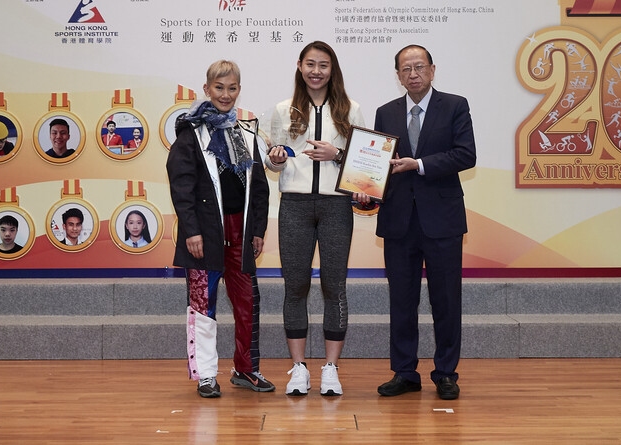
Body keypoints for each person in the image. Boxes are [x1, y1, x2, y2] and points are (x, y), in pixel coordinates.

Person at [360, 44, 476, 401]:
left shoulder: (455, 105)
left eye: (419, 66)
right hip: (398, 221)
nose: (413, 73)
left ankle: (445, 373)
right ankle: (405, 372)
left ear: (432, 69)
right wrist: (364, 188)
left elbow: (466, 154)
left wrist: (420, 164)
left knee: (445, 301)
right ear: (397, 76)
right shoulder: (386, 112)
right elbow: (377, 165)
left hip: (442, 220)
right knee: (402, 301)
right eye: (406, 69)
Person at [166, 59, 274, 399]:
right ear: (207, 89)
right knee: (203, 305)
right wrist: (191, 231)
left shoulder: (245, 132)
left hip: (241, 233)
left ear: (239, 90)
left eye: (231, 88)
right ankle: (207, 376)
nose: (225, 95)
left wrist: (257, 229)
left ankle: (246, 370)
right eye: (219, 88)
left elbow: (258, 189)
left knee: (248, 302)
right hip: (204, 235)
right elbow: (181, 189)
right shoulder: (190, 133)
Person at [265, 41, 365, 397]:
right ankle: (297, 369)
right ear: (299, 66)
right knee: (296, 287)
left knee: (334, 287)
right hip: (294, 206)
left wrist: (336, 153)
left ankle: (331, 369)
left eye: (324, 65)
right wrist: (275, 159)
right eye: (310, 64)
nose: (317, 71)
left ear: (332, 69)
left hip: (336, 207)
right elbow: (273, 161)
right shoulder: (283, 109)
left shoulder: (351, 109)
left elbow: (363, 163)